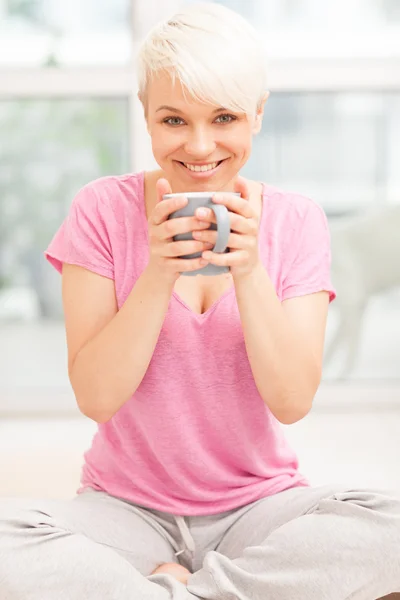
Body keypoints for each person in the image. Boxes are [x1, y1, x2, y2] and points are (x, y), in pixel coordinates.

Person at [1, 3, 399, 600]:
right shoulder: (101, 211)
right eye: (173, 120)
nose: (200, 145)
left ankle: (176, 593)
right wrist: (158, 274)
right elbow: (96, 396)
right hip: (124, 510)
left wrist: (250, 270)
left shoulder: (297, 221)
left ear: (258, 114)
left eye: (224, 117)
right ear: (146, 118)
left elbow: (292, 401)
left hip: (259, 506)